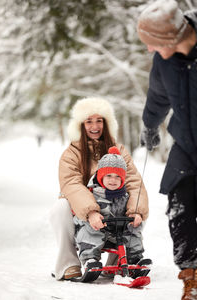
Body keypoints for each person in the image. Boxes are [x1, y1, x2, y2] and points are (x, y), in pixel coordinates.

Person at [50, 97, 149, 281]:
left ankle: (122, 259)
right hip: (83, 210)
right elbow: (71, 183)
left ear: (107, 123)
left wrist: (136, 211)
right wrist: (91, 212)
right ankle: (69, 263)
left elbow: (134, 182)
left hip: (114, 208)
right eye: (89, 121)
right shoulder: (72, 153)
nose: (94, 126)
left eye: (99, 120)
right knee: (60, 207)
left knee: (134, 208)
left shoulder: (119, 149)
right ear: (81, 124)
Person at [137, 1, 197, 299]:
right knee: (179, 209)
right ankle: (192, 278)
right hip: (186, 143)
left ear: (171, 39)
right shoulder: (165, 61)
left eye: (152, 44)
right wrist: (150, 126)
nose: (150, 50)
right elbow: (158, 96)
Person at [74, 146, 145, 274]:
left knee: (133, 229)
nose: (113, 180)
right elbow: (80, 209)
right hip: (95, 231)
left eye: (118, 177)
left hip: (115, 233)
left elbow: (133, 208)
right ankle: (90, 259)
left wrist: (135, 216)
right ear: (101, 176)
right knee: (92, 229)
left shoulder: (125, 196)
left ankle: (135, 259)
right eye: (109, 176)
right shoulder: (92, 194)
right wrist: (91, 216)